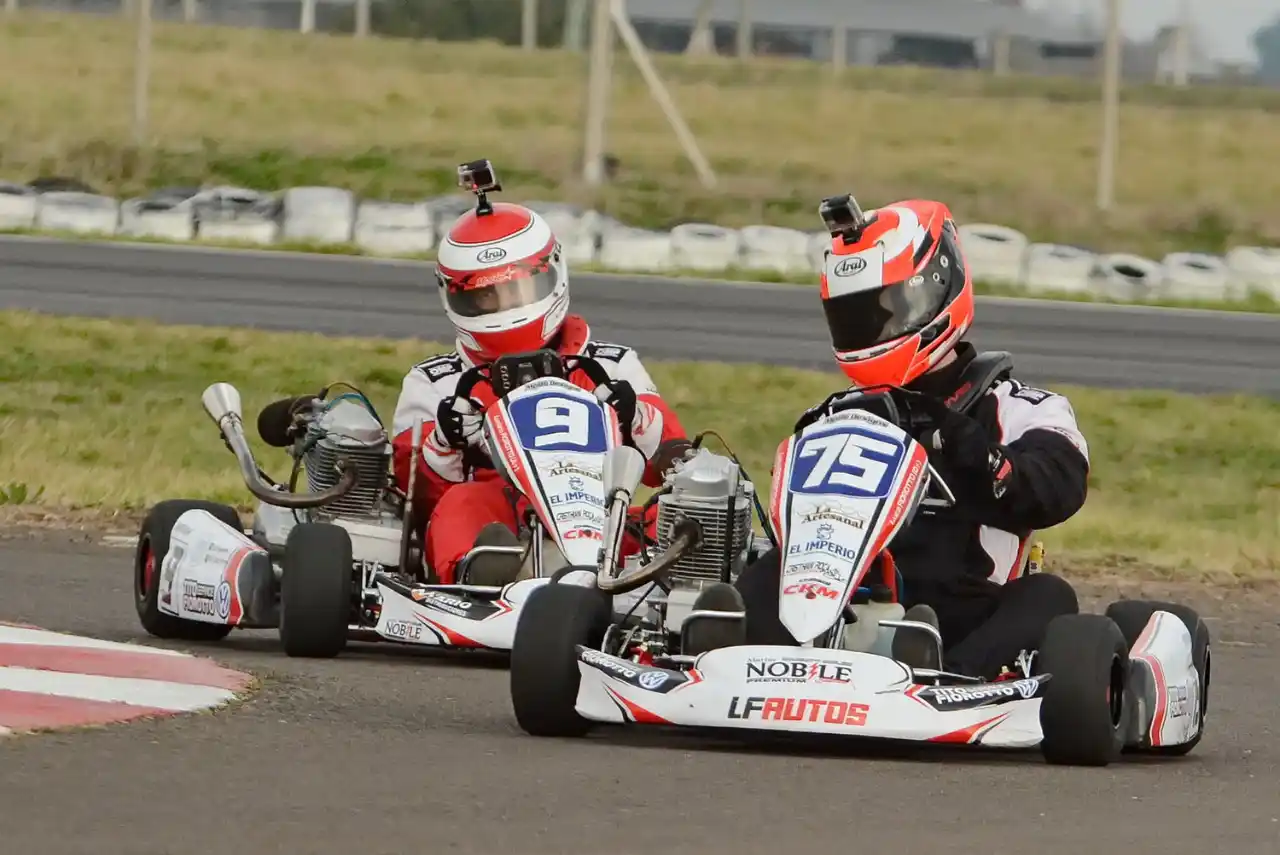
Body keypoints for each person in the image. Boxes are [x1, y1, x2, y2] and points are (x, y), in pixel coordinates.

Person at [733, 196, 1090, 681]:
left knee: (1050, 597)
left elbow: (1057, 486)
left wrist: (973, 451)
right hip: (843, 597)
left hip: (962, 614)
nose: (871, 329)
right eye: (856, 316)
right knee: (765, 568)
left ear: (938, 290)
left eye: (886, 310)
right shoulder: (836, 414)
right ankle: (730, 654)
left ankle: (943, 677)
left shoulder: (1018, 407)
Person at [390, 167, 693, 587]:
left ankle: (674, 587)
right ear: (453, 297)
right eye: (484, 297)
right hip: (503, 526)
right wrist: (444, 441)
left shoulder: (611, 365)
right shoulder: (436, 382)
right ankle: (481, 574)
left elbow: (671, 463)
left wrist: (635, 417)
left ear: (553, 272)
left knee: (689, 501)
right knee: (464, 503)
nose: (504, 308)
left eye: (517, 290)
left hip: (601, 518)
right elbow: (418, 501)